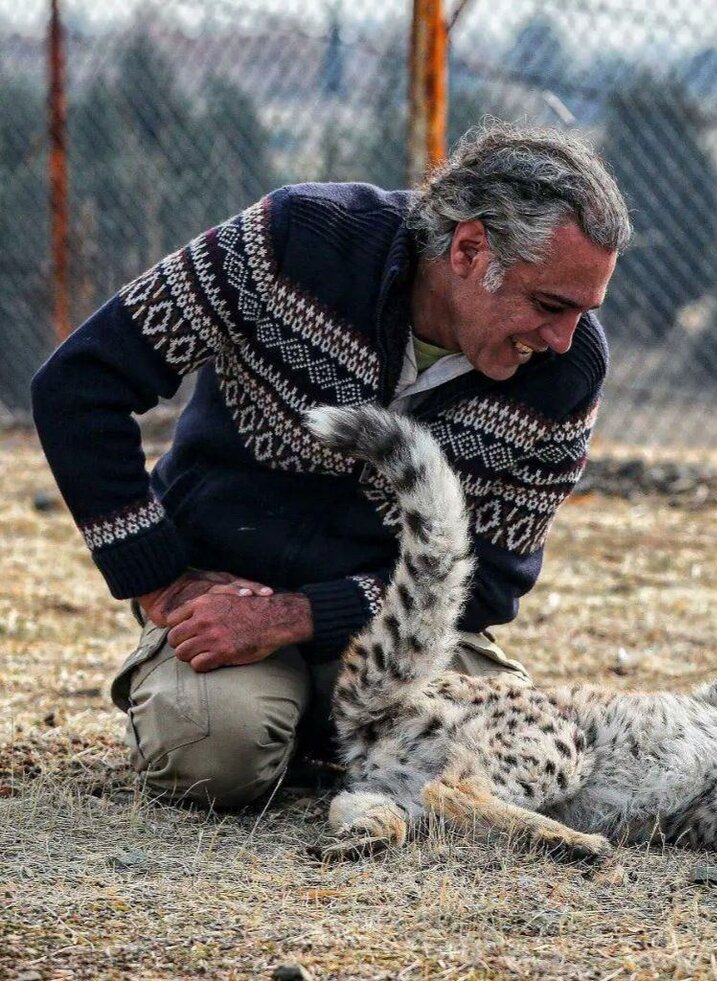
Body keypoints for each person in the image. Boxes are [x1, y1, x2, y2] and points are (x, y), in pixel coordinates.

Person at [31, 122, 632, 808]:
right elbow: (78, 385)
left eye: (584, 313)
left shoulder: (570, 371)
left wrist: (302, 614)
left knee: (511, 769)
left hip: (405, 628)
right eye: (550, 305)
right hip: (229, 592)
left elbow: (491, 581)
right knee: (214, 756)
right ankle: (281, 720)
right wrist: (161, 578)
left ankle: (326, 731)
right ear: (469, 249)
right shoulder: (297, 238)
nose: (562, 340)